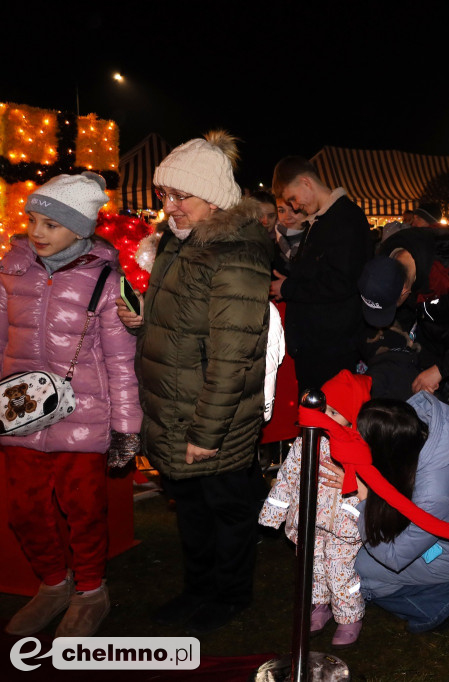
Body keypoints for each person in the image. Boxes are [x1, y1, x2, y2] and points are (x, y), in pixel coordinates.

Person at [118, 131, 273, 635]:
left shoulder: (236, 251)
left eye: (181, 196)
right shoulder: (178, 240)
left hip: (213, 416)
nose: (170, 207)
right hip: (176, 405)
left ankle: (230, 595)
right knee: (190, 508)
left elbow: (234, 354)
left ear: (213, 197)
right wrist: (145, 320)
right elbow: (186, 319)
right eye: (165, 195)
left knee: (227, 508)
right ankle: (198, 588)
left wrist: (206, 433)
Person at [2, 173, 141, 638]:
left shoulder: (105, 278)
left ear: (79, 229)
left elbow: (121, 361)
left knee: (83, 511)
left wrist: (126, 428)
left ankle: (89, 592)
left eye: (51, 224)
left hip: (84, 417)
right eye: (33, 220)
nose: (37, 232)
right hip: (19, 414)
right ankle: (52, 585)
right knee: (24, 509)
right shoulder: (12, 268)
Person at [354, 395, 449, 633]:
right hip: (437, 529)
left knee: (357, 568)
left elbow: (394, 557)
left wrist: (363, 502)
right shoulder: (413, 428)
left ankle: (439, 603)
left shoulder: (434, 492)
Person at [259, 370, 371, 647]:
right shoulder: (306, 441)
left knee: (339, 570)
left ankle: (349, 616)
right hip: (308, 520)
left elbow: (372, 483)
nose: (327, 418)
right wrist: (273, 513)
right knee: (313, 566)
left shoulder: (359, 447)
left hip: (342, 525)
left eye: (336, 412)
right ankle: (319, 606)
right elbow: (288, 476)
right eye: (325, 411)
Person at [358, 226, 449, 418]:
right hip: (432, 337)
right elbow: (411, 313)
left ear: (406, 291)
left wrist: (441, 369)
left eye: (390, 307)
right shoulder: (389, 259)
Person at [271, 156, 372, 394]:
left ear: (306, 182)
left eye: (293, 198)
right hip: (317, 346)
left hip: (332, 348)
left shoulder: (345, 218)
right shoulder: (321, 219)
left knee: (325, 418)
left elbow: (341, 282)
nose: (294, 207)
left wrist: (288, 288)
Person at [271, 196, 307, 276]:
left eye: (294, 210)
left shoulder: (320, 239)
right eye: (281, 211)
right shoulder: (270, 248)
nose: (287, 217)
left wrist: (290, 286)